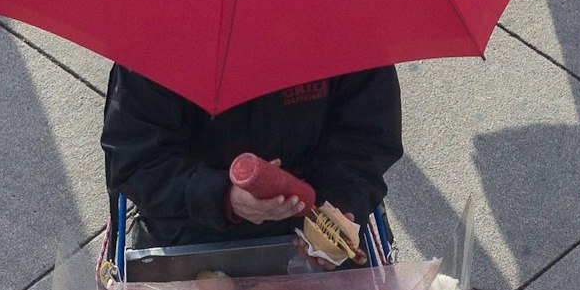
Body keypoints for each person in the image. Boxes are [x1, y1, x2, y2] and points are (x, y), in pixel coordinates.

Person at [101, 63, 403, 247]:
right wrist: (221, 196)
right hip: (192, 220)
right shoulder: (162, 28)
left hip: (315, 211)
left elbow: (367, 139)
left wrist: (341, 204)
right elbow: (136, 160)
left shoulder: (345, 16)